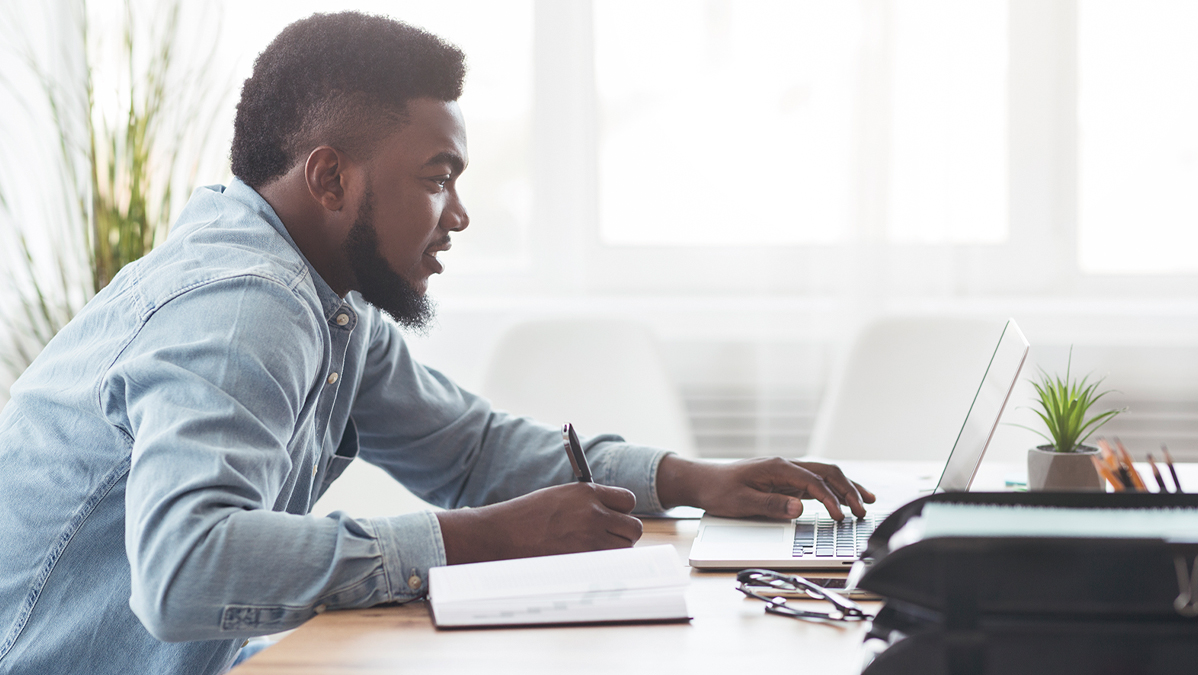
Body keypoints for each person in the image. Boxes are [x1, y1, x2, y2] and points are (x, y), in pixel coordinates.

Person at [0, 12, 873, 675]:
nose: (457, 215)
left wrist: (690, 479)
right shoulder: (243, 307)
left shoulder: (328, 303)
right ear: (331, 176)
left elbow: (476, 450)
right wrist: (480, 539)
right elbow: (185, 572)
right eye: (437, 178)